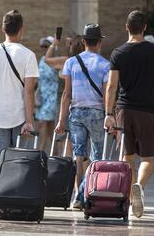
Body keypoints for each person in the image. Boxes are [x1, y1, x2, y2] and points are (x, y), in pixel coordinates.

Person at [104, 10, 154, 218]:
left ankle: (129, 197)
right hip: (147, 112)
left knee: (127, 157)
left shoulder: (118, 53)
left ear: (127, 27)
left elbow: (111, 86)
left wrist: (109, 113)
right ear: (144, 27)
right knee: (148, 158)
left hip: (124, 111)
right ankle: (139, 187)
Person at [54, 23, 110, 210]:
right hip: (97, 113)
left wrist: (61, 120)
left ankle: (78, 198)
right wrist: (110, 115)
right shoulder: (105, 64)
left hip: (76, 113)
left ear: (84, 41)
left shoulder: (71, 63)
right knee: (96, 157)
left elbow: (66, 94)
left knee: (78, 157)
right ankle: (85, 194)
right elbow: (106, 95)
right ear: (100, 42)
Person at [0, 9, 39, 166]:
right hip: (20, 116)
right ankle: (17, 190)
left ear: (3, 29)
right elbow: (29, 91)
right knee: (20, 161)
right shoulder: (28, 55)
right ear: (21, 29)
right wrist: (30, 121)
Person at [35, 36, 59, 151]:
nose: (44, 49)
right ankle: (54, 149)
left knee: (42, 122)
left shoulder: (56, 60)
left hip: (52, 97)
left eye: (46, 46)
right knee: (49, 125)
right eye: (42, 46)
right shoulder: (41, 60)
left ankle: (41, 149)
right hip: (42, 96)